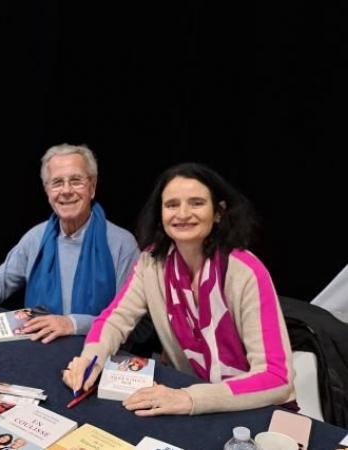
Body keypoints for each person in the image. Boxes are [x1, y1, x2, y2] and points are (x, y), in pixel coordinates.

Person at [63, 162, 295, 416]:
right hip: (186, 397)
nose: (182, 214)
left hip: (253, 406)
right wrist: (90, 359)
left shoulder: (247, 272)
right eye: (172, 205)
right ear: (161, 215)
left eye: (196, 203)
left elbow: (277, 378)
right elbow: (115, 319)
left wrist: (190, 398)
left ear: (218, 212)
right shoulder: (150, 263)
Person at [0, 144, 141, 344]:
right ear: (47, 191)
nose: (66, 191)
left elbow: (130, 323)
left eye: (76, 181)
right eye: (57, 182)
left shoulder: (122, 245)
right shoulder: (36, 238)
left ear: (92, 188)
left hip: (97, 352)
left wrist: (72, 324)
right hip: (40, 349)